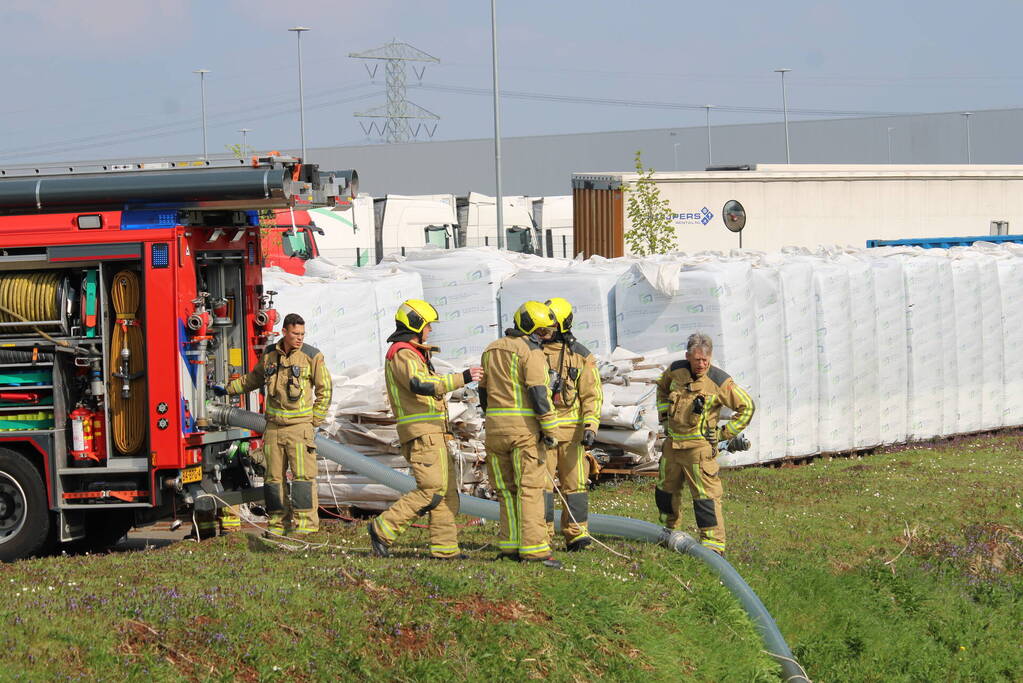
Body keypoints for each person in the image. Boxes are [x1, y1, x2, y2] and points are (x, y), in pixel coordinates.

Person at [367, 299, 483, 560]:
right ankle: (382, 528)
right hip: (421, 434)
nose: (430, 330)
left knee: (447, 493)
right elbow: (419, 383)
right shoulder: (402, 353)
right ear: (416, 324)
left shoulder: (414, 353)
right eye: (428, 325)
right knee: (431, 489)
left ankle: (445, 549)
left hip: (433, 432)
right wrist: (462, 377)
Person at [222, 313, 332, 536]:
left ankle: (305, 528)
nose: (300, 338)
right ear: (284, 332)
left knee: (302, 480)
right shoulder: (270, 355)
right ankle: (277, 526)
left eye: (302, 334)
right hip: (273, 429)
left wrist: (314, 422)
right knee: (273, 481)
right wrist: (227, 389)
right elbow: (254, 378)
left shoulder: (312, 356)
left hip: (299, 429)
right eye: (295, 334)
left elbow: (325, 390)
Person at [654, 332, 754, 555]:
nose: (701, 364)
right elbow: (661, 389)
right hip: (672, 447)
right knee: (665, 492)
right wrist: (664, 418)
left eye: (705, 360)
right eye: (697, 359)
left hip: (699, 451)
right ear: (688, 356)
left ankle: (713, 545)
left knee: (705, 498)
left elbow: (747, 407)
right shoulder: (675, 371)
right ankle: (668, 532)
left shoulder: (719, 381)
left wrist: (724, 434)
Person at [479, 301, 562, 568]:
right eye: (543, 332)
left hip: (494, 430)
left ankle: (510, 545)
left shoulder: (491, 349)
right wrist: (550, 429)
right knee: (530, 489)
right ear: (531, 329)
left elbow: (483, 391)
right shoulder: (531, 353)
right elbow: (539, 393)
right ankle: (535, 549)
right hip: (524, 433)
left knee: (505, 490)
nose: (545, 337)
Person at [541, 297, 603, 551]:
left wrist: (591, 427)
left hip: (572, 434)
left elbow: (592, 394)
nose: (544, 330)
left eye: (550, 325)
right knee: (541, 487)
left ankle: (577, 534)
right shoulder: (532, 352)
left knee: (575, 485)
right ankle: (541, 535)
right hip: (542, 433)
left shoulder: (581, 356)